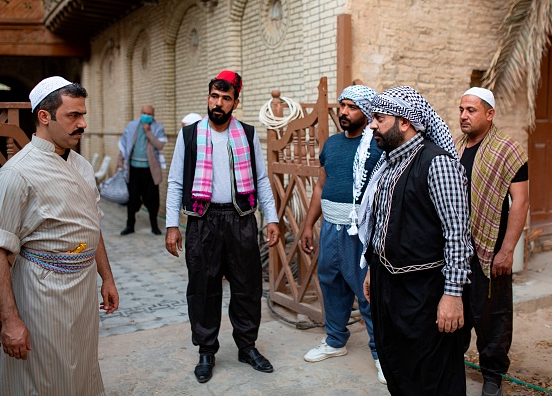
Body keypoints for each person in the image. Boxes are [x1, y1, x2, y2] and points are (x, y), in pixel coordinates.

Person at [0, 76, 119, 395]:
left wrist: (106, 278)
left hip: (82, 292)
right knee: (39, 377)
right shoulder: (16, 174)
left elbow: (92, 226)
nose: (82, 123)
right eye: (73, 115)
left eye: (83, 115)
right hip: (41, 292)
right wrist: (10, 321)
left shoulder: (83, 167)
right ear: (45, 116)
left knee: (81, 369)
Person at [165, 70, 280, 384]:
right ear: (208, 97)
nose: (218, 103)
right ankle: (206, 350)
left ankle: (247, 346)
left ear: (235, 102)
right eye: (214, 96)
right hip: (202, 221)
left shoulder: (247, 133)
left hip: (240, 219)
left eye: (225, 98)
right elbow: (175, 181)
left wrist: (271, 217)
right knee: (203, 287)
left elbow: (260, 180)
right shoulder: (189, 135)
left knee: (247, 286)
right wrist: (172, 225)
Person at [359, 86, 473, 395]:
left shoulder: (437, 164)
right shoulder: (389, 164)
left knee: (432, 378)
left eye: (379, 119)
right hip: (387, 286)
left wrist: (452, 296)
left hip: (425, 293)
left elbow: (457, 235)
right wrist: (373, 268)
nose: (371, 126)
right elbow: (382, 224)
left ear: (404, 123)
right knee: (398, 368)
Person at [300, 85, 385, 383]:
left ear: (367, 111)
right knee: (331, 283)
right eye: (342, 106)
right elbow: (320, 188)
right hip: (330, 228)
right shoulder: (332, 144)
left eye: (352, 107)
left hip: (359, 231)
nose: (344, 112)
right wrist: (309, 225)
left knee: (366, 292)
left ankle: (381, 354)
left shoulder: (377, 145)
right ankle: (335, 341)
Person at [456, 87, 529, 396]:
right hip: (456, 251)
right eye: (461, 109)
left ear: (490, 114)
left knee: (493, 317)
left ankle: (492, 378)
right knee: (455, 311)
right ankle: (451, 367)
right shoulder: (454, 147)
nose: (463, 116)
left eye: (471, 110)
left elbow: (521, 201)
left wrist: (507, 250)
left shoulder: (508, 149)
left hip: (491, 251)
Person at [118, 104, 167, 235]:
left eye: (149, 114)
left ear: (153, 115)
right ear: (141, 113)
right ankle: (130, 225)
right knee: (132, 198)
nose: (146, 116)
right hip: (133, 169)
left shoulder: (158, 127)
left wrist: (148, 132)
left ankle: (154, 225)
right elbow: (124, 145)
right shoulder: (132, 126)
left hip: (150, 170)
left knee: (153, 199)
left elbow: (160, 145)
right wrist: (119, 162)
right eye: (144, 113)